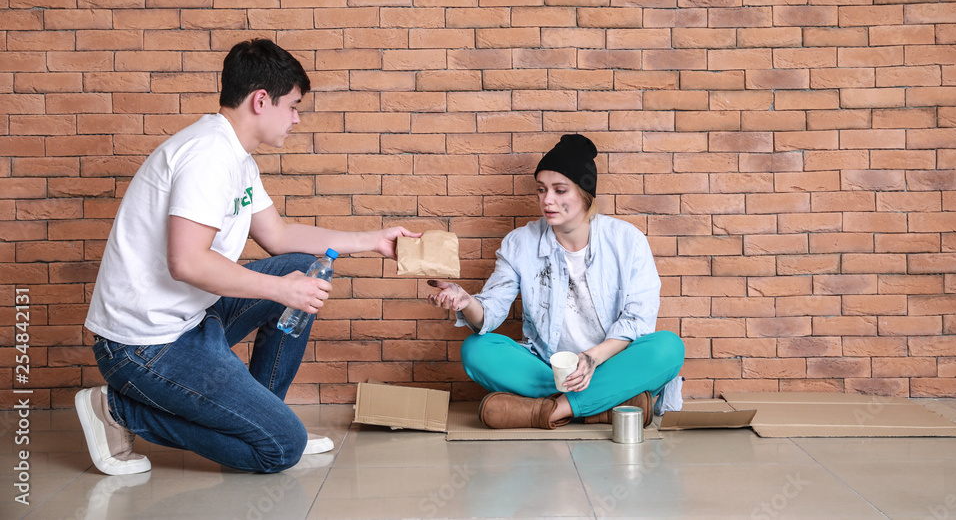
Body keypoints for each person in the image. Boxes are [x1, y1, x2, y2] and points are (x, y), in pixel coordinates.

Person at [77, 38, 419, 475]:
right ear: (262, 100)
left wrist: (373, 240)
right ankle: (119, 411)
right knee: (280, 449)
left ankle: (259, 417)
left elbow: (278, 236)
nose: (297, 118)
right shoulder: (208, 156)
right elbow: (189, 262)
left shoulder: (236, 157)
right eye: (294, 106)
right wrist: (282, 289)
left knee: (300, 272)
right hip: (144, 346)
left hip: (191, 319)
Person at [427, 134, 685, 429]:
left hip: (610, 363)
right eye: (541, 190)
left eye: (560, 190)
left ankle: (549, 411)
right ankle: (606, 404)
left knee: (668, 347)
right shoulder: (520, 243)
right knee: (475, 350)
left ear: (585, 193)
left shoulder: (628, 241)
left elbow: (638, 320)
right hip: (547, 369)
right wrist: (467, 301)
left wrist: (592, 358)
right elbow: (492, 310)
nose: (547, 200)